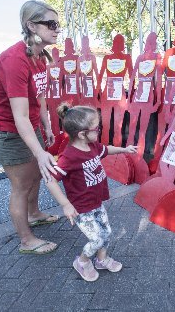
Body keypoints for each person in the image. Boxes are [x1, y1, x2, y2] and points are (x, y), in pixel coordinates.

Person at [0, 0, 62, 255]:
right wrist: (40, 152)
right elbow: (18, 117)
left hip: (30, 125)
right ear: (31, 26)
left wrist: (47, 125)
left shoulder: (40, 56)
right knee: (21, 185)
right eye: (50, 24)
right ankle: (26, 240)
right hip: (7, 130)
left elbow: (39, 97)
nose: (56, 29)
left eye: (58, 24)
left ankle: (34, 213)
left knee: (36, 175)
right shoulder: (14, 60)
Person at [46, 102, 137, 281]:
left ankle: (101, 260)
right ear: (82, 134)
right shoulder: (69, 157)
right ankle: (82, 261)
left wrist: (124, 149)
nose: (99, 130)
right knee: (97, 239)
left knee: (106, 232)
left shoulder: (92, 146)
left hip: (96, 202)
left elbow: (107, 150)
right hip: (81, 208)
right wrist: (65, 205)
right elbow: (50, 180)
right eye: (97, 128)